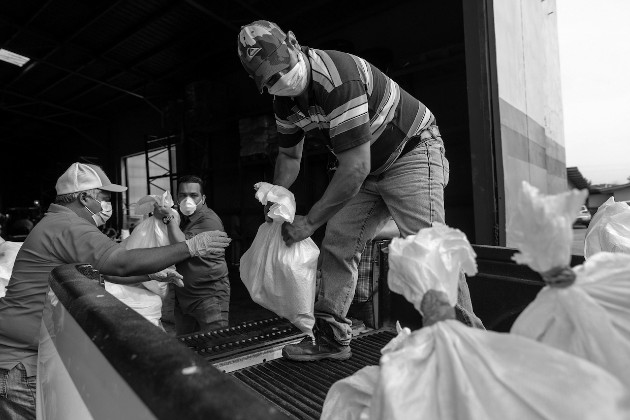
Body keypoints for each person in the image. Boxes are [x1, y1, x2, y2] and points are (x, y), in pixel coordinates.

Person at [237, 20, 483, 362]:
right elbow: (291, 156)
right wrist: (276, 194)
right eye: (271, 79)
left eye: (284, 69)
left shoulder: (339, 78)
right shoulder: (284, 103)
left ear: (294, 43)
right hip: (366, 164)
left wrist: (309, 223)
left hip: (410, 151)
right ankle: (331, 338)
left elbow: (354, 168)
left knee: (430, 250)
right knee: (338, 242)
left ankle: (471, 350)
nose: (282, 81)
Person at [0, 163, 230, 419]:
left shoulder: (58, 222)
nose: (108, 204)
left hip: (23, 356)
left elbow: (102, 270)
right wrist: (190, 247)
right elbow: (120, 262)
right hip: (20, 367)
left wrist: (150, 274)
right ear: (84, 197)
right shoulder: (67, 225)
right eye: (104, 197)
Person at [153, 175, 230, 335]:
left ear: (203, 198)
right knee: (187, 347)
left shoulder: (208, 220)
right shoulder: (184, 219)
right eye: (183, 195)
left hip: (208, 296)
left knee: (217, 345)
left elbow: (182, 247)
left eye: (193, 195)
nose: (187, 200)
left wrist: (167, 218)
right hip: (184, 297)